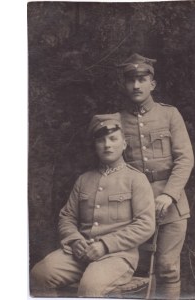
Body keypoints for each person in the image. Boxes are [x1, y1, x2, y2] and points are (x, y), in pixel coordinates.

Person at [30, 113, 155, 297]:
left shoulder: (136, 179)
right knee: (39, 273)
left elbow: (145, 224)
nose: (107, 145)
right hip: (79, 254)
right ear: (95, 146)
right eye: (101, 141)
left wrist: (104, 245)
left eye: (113, 139)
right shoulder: (84, 180)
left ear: (124, 144)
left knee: (90, 287)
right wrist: (74, 240)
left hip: (117, 256)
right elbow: (67, 217)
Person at [117, 53, 194, 300]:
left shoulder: (170, 115)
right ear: (124, 84)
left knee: (167, 268)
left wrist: (169, 195)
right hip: (133, 209)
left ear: (153, 83)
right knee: (135, 272)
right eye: (131, 80)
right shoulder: (116, 121)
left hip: (171, 206)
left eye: (142, 79)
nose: (136, 85)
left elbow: (185, 159)